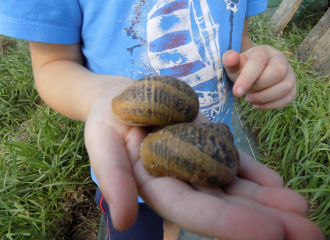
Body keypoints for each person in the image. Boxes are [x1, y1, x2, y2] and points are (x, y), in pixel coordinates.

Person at [0, 1, 325, 239]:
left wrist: (254, 64)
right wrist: (99, 96)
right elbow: (52, 63)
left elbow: (238, 38)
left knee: (174, 221)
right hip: (128, 165)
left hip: (206, 134)